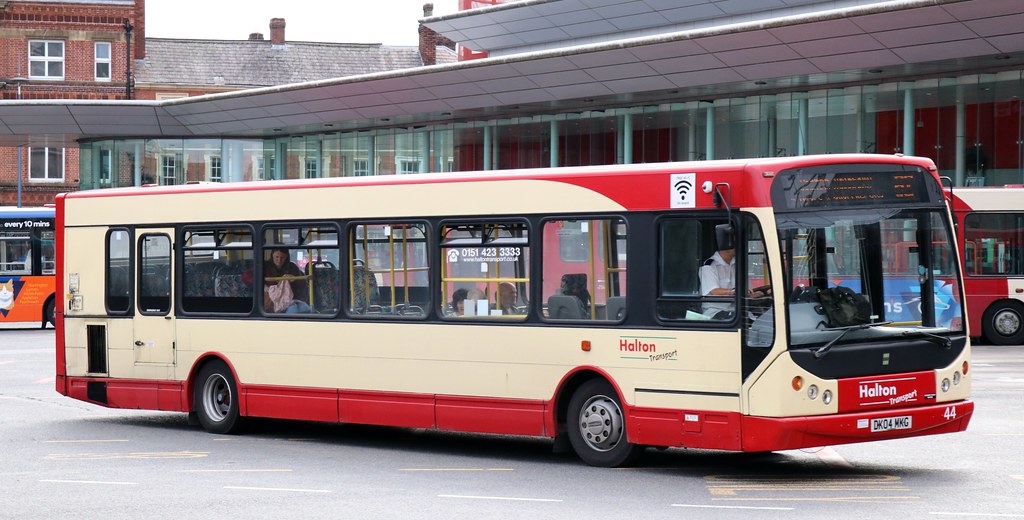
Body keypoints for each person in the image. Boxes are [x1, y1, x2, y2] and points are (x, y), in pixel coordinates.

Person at [264, 248, 311, 313]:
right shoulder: (264, 266)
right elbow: (251, 279)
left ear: (286, 257)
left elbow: (303, 284)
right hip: (272, 300)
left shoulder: (292, 267)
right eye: (277, 257)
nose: (279, 260)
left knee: (305, 308)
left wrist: (294, 279)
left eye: (282, 257)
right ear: (272, 255)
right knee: (293, 309)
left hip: (290, 298)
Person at [699, 246, 737, 318]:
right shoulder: (709, 266)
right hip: (715, 312)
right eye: (734, 244)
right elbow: (714, 291)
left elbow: (748, 289)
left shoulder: (738, 265)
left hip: (735, 310)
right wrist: (734, 291)